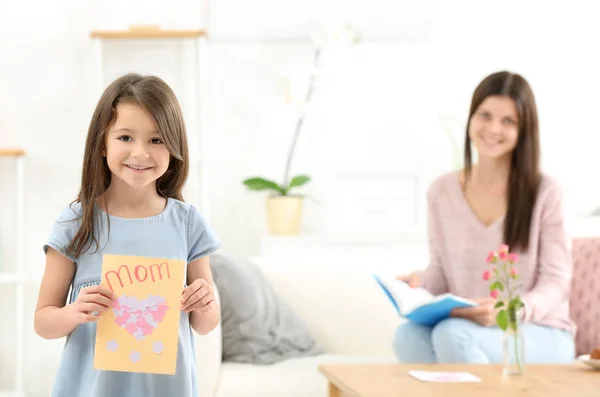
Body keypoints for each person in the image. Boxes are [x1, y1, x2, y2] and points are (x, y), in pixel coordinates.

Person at [34, 73, 222, 396]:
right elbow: (43, 322)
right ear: (102, 145)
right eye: (125, 138)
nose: (140, 153)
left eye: (156, 140)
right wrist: (72, 312)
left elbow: (205, 324)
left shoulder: (188, 224)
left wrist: (205, 302)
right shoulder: (75, 223)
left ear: (174, 147)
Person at [393, 71, 575, 364]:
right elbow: (441, 272)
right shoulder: (441, 191)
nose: (493, 129)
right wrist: (419, 282)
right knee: (407, 337)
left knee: (452, 334)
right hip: (472, 326)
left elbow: (556, 281)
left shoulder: (546, 192)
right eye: (485, 115)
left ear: (523, 130)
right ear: (471, 118)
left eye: (508, 121)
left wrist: (511, 310)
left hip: (539, 331)